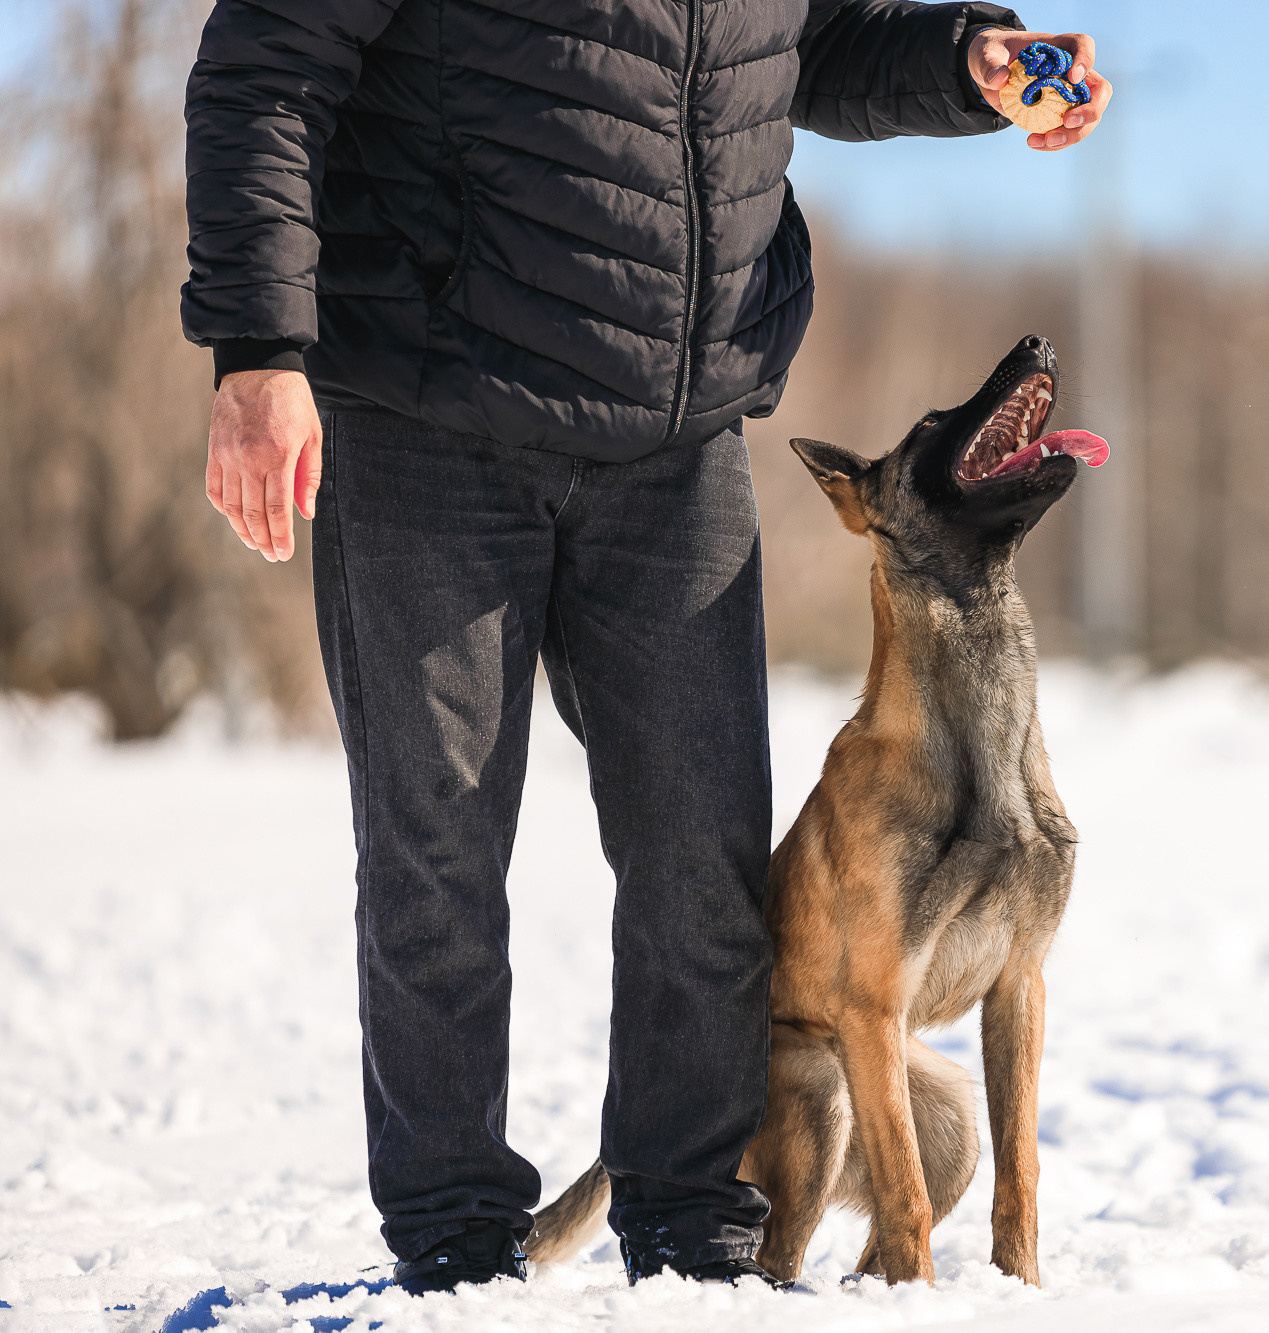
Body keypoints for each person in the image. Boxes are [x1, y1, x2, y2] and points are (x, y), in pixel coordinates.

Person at [180, 0, 1111, 1295]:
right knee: (435, 853)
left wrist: (966, 59)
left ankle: (694, 1231)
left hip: (677, 433)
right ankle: (455, 1244)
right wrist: (258, 349)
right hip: (425, 405)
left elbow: (818, 41)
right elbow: (267, 63)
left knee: (704, 865)